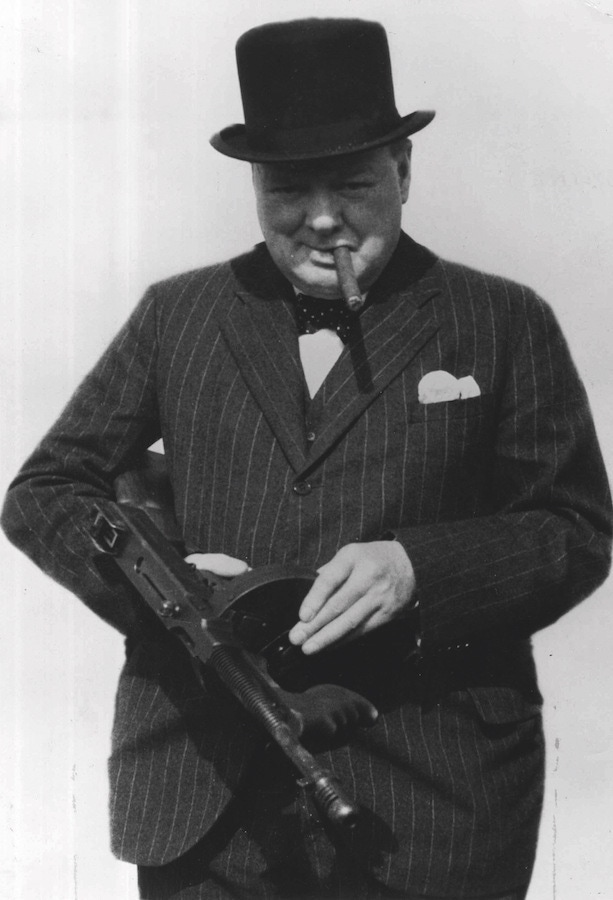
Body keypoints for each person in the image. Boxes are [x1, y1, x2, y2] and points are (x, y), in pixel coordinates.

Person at [2, 17, 611, 900]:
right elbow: (45, 492)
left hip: (434, 810)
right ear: (254, 184)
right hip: (203, 797)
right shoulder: (177, 316)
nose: (322, 217)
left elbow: (575, 529)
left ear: (404, 173)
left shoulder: (502, 321)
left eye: (354, 183)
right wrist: (174, 592)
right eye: (288, 187)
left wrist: (419, 569)